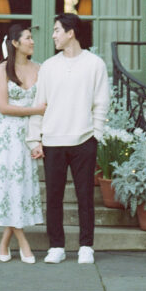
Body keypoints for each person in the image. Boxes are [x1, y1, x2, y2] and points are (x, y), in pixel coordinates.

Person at [27, 13, 109, 264]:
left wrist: (95, 135)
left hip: (84, 140)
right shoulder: (49, 66)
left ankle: (86, 246)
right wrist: (34, 139)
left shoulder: (95, 64)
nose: (53, 35)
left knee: (85, 196)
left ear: (70, 32)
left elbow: (101, 103)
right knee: (53, 196)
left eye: (57, 30)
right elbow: (39, 103)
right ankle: (56, 246)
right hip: (53, 141)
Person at [0, 24, 46, 263]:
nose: (32, 42)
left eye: (32, 38)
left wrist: (39, 136)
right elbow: (3, 107)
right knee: (7, 184)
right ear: (15, 43)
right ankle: (23, 242)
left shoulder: (40, 69)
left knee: (21, 185)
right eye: (28, 38)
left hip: (28, 134)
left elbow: (47, 102)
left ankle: (4, 241)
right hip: (4, 135)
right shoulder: (0, 71)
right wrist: (36, 109)